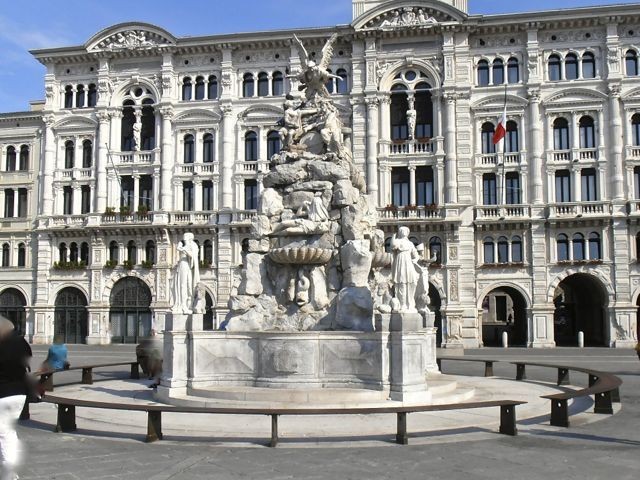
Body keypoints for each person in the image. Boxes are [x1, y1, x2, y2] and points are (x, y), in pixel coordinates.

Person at [0, 317, 32, 480]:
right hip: (19, 393)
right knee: (8, 430)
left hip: (3, 394)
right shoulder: (21, 342)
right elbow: (27, 360)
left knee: (4, 432)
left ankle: (10, 472)